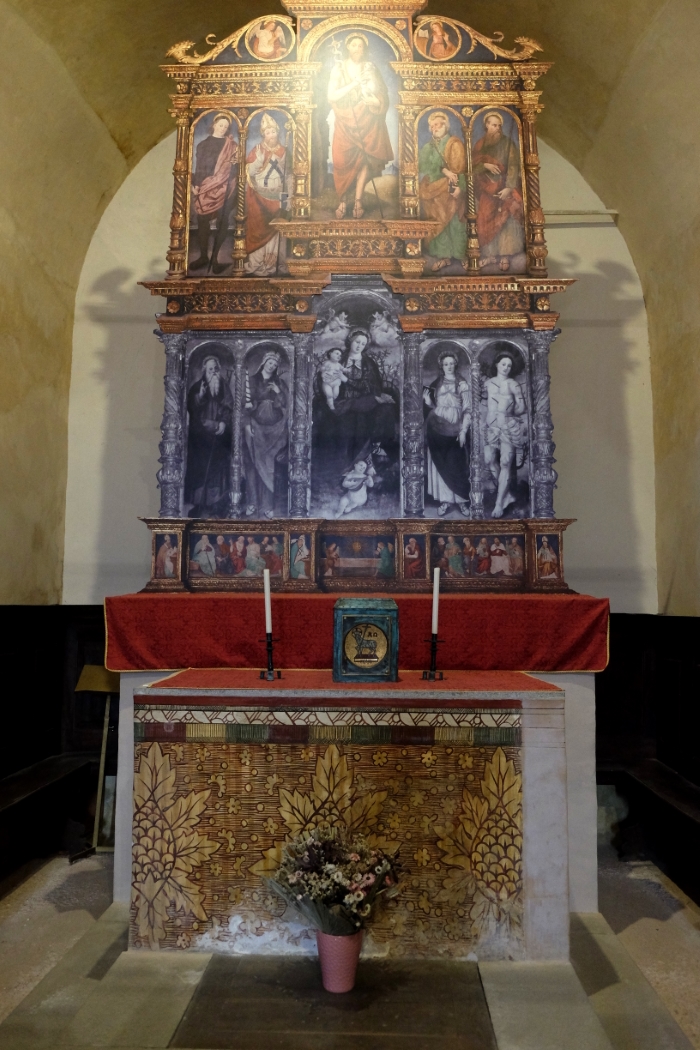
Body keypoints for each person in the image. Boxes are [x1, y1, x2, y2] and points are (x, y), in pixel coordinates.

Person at [327, 33, 393, 219]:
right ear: (348, 47)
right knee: (341, 162)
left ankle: (358, 201)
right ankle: (342, 200)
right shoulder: (339, 68)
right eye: (354, 45)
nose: (357, 48)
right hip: (345, 119)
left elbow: (383, 93)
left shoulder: (370, 68)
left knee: (364, 160)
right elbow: (331, 96)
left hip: (367, 118)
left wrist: (376, 101)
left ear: (364, 49)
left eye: (361, 45)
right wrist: (354, 84)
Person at [472, 111, 524, 272]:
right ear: (487, 125)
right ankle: (490, 255)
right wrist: (484, 165)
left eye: (499, 125)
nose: (497, 128)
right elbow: (471, 166)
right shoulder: (480, 144)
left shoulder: (508, 143)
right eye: (494, 125)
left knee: (505, 219)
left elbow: (514, 166)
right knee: (485, 218)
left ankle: (504, 255)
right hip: (486, 188)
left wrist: (509, 187)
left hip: (504, 187)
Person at [423, 350, 471, 518]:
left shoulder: (462, 383)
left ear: (455, 365)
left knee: (456, 463)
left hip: (456, 426)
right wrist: (428, 402)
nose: (449, 366)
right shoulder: (436, 383)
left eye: (451, 363)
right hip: (436, 426)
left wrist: (463, 430)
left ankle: (462, 500)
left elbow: (467, 409)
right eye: (446, 364)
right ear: (441, 366)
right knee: (440, 464)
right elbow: (432, 406)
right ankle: (445, 501)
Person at [184, 355, 233, 517]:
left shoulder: (224, 386)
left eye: (215, 369)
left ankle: (215, 504)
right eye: (210, 369)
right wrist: (200, 396)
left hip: (219, 435)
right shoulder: (197, 387)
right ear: (204, 370)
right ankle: (199, 504)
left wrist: (223, 423)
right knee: (201, 467)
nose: (213, 372)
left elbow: (229, 407)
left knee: (218, 468)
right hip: (201, 435)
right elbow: (191, 408)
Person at [244, 112, 292, 276]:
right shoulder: (257, 150)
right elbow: (249, 173)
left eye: (273, 132)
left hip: (280, 197)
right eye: (268, 132)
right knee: (259, 229)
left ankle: (277, 264)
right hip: (259, 198)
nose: (271, 135)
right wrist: (258, 161)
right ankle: (258, 264)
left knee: (280, 229)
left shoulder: (284, 151)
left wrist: (289, 199)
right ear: (263, 134)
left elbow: (290, 175)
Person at [190, 113, 238, 274]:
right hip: (207, 185)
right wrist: (196, 184)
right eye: (220, 125)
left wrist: (235, 165)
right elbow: (199, 167)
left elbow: (238, 168)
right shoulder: (203, 145)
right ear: (214, 125)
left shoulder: (232, 145)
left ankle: (215, 259)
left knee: (222, 220)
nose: (223, 128)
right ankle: (204, 256)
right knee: (202, 219)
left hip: (227, 187)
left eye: (226, 126)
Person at [243, 350, 288, 518]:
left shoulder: (279, 383)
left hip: (275, 430)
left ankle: (268, 505)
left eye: (275, 365)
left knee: (269, 466)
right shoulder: (251, 380)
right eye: (270, 362)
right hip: (255, 427)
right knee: (252, 465)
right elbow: (244, 404)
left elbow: (286, 404)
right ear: (264, 362)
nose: (272, 366)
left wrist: (278, 392)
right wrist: (247, 424)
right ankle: (253, 503)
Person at [419, 111, 466, 271]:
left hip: (452, 188)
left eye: (438, 124)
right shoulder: (428, 147)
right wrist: (443, 170)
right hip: (432, 189)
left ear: (445, 125)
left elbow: (461, 169)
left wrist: (460, 187)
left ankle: (461, 256)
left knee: (455, 222)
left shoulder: (454, 143)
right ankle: (444, 257)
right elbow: (423, 166)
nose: (435, 128)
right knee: (438, 222)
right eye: (432, 126)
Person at [483, 350, 527, 518]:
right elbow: (480, 400)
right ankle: (506, 494)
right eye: (503, 364)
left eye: (509, 365)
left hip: (508, 426)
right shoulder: (487, 383)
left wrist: (507, 410)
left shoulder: (513, 384)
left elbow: (522, 408)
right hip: (491, 427)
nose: (506, 368)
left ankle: (499, 503)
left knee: (505, 462)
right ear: (497, 365)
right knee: (489, 460)